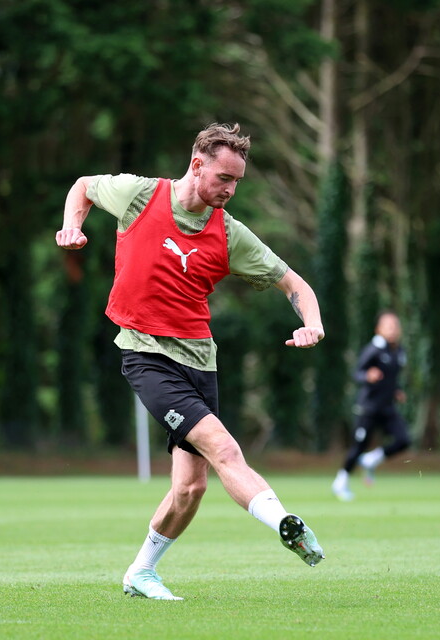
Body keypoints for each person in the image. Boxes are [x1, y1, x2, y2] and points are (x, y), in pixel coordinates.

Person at [56, 123, 325, 601]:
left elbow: (295, 285)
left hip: (200, 361)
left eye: (237, 181)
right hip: (146, 354)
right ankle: (284, 521)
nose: (230, 189)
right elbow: (83, 188)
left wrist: (312, 323)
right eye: (224, 177)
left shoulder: (230, 234)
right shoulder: (139, 195)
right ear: (197, 165)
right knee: (225, 450)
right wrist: (73, 225)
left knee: (190, 489)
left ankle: (140, 573)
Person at [332, 311, 410, 501]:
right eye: (388, 326)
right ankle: (340, 482)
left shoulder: (398, 351)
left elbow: (392, 377)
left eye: (395, 326)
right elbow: (357, 373)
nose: (392, 330)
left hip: (387, 407)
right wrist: (367, 376)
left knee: (403, 440)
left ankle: (371, 460)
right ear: (379, 329)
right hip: (368, 407)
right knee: (359, 446)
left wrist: (396, 390)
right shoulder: (374, 349)